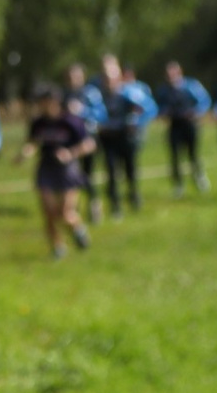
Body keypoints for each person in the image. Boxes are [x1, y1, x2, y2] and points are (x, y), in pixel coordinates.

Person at [25, 84, 95, 257]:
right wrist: (25, 153)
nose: (40, 105)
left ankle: (78, 230)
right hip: (46, 168)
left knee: (65, 213)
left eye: (43, 101)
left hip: (67, 170)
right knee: (49, 213)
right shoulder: (38, 122)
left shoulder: (70, 121)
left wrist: (70, 153)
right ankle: (58, 248)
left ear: (54, 101)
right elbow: (33, 142)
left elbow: (89, 144)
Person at [94, 54, 154, 218]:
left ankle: (134, 195)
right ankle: (115, 204)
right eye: (105, 78)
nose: (109, 81)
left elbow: (150, 108)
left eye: (112, 78)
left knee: (130, 169)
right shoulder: (98, 95)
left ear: (119, 77)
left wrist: (136, 122)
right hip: (108, 137)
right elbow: (93, 113)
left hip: (125, 137)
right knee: (111, 170)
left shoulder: (130, 93)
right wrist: (98, 124)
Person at [157, 61, 211, 197]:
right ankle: (178, 184)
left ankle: (199, 176)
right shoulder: (164, 90)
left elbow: (204, 100)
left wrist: (196, 112)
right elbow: (160, 106)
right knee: (175, 156)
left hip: (189, 124)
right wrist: (164, 112)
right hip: (175, 125)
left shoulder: (191, 86)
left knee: (193, 154)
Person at [64, 64, 107, 223]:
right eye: (70, 77)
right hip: (70, 140)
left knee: (87, 174)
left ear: (83, 77)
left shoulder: (91, 93)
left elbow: (101, 115)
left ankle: (94, 204)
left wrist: (82, 111)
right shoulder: (64, 95)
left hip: (88, 139)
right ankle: (71, 208)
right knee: (71, 174)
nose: (73, 80)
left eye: (76, 77)